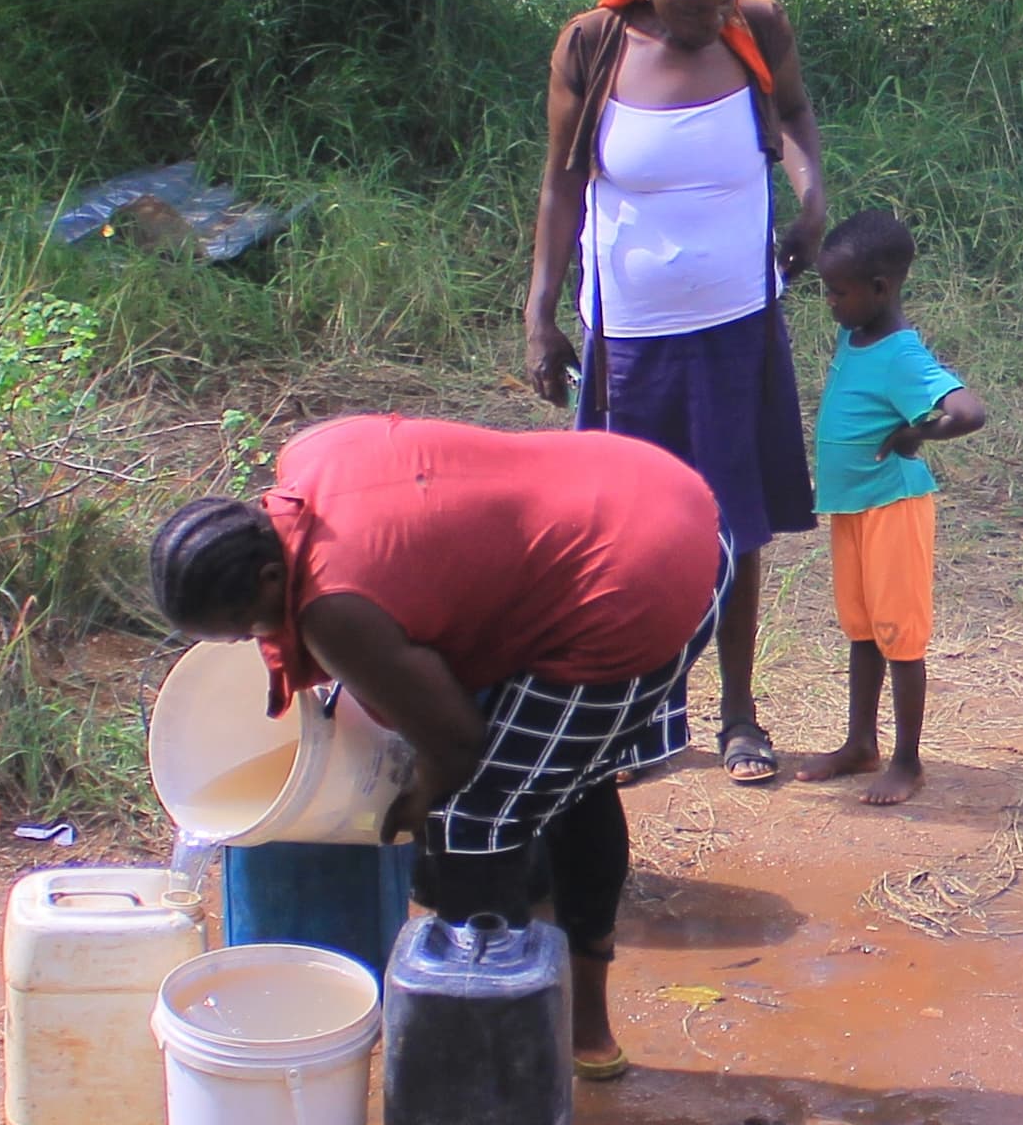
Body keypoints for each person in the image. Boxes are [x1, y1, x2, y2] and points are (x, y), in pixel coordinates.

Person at [145, 417, 730, 1080]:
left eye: (245, 625)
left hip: (635, 575)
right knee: (566, 774)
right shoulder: (310, 456)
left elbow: (455, 747)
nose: (253, 640)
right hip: (649, 489)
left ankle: (492, 1069)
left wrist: (416, 805)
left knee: (474, 824)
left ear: (267, 576)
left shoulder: (332, 608)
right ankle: (576, 1027)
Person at [523, 0, 828, 789]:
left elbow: (799, 121)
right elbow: (559, 187)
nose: (715, 18)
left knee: (737, 525)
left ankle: (739, 715)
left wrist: (812, 203)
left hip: (738, 323)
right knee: (629, 533)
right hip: (630, 335)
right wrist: (541, 315)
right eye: (697, 9)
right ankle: (634, 718)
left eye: (725, 0)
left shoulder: (757, 29)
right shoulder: (594, 46)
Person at [794, 209, 989, 807]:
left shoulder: (901, 354)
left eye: (839, 292)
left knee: (900, 638)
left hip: (893, 509)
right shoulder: (856, 333)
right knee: (861, 630)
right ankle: (861, 744)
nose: (829, 302)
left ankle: (907, 760)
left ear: (881, 289)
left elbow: (968, 411)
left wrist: (917, 435)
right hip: (854, 509)